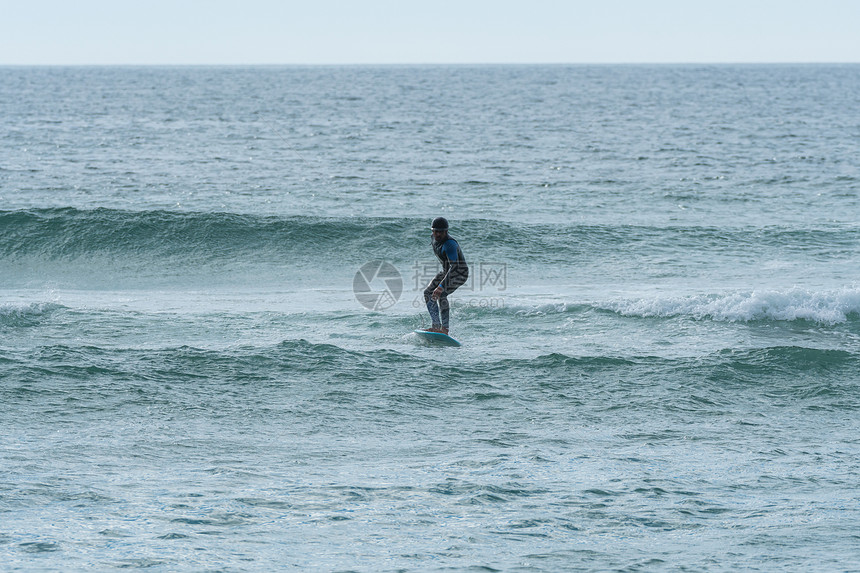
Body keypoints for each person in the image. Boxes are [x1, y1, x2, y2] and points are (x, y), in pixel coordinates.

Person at [423, 217, 469, 335]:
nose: (438, 234)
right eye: (435, 231)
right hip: (446, 271)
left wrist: (441, 286)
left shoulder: (450, 244)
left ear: (446, 231)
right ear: (432, 231)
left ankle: (445, 329)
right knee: (428, 293)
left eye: (441, 232)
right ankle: (436, 326)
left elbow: (454, 267)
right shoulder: (433, 238)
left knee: (441, 294)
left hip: (459, 273)